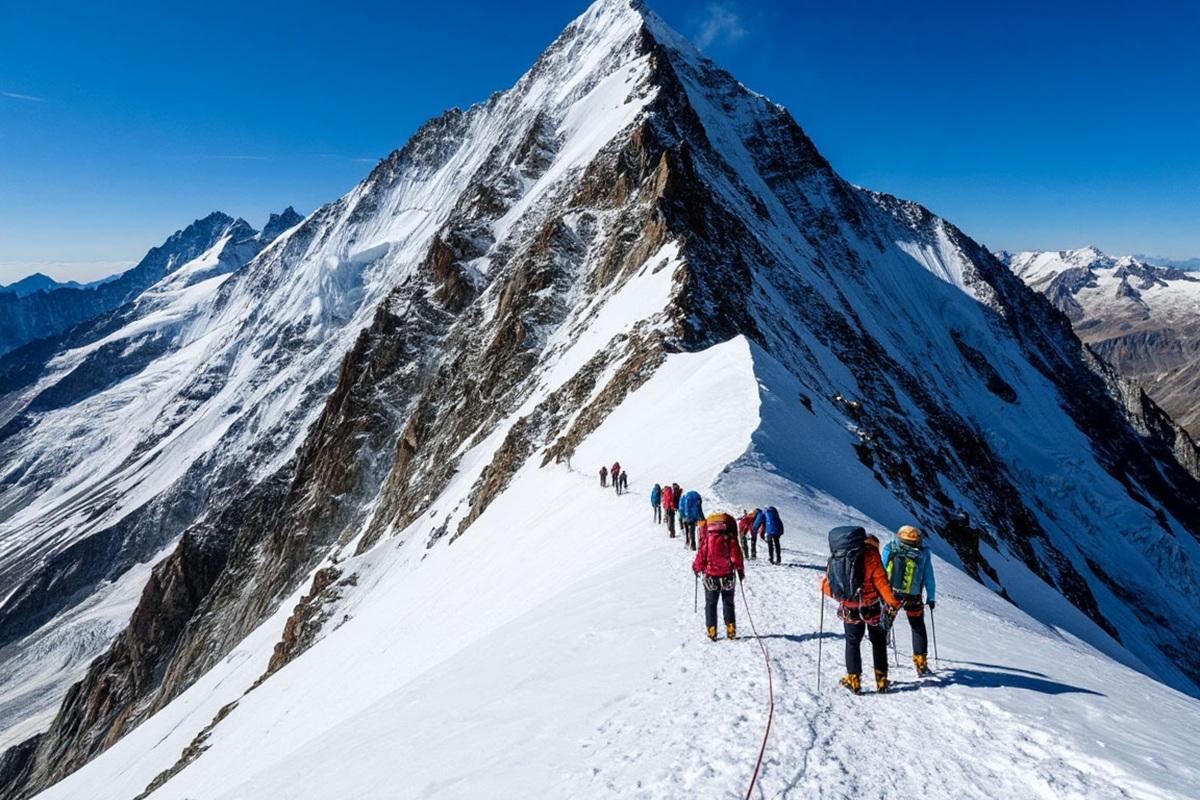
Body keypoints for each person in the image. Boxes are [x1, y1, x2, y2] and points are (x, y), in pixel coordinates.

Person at [822, 527, 901, 694]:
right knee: (878, 642)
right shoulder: (872, 556)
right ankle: (881, 681)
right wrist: (893, 603)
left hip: (850, 608)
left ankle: (854, 682)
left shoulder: (839, 556)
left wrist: (844, 598)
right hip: (872, 607)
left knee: (852, 643)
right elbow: (882, 584)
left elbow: (826, 587)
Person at [882, 525, 937, 675]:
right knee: (917, 628)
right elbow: (929, 578)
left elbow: (881, 570)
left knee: (884, 622)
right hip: (913, 597)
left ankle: (881, 658)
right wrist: (931, 597)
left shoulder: (891, 548)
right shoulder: (923, 554)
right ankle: (921, 665)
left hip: (892, 595)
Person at [693, 512, 745, 640]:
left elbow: (701, 556)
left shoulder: (707, 539)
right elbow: (736, 556)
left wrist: (696, 568)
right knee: (728, 602)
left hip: (710, 576)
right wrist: (740, 570)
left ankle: (712, 630)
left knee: (711, 604)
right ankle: (731, 629)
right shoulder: (729, 538)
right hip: (727, 575)